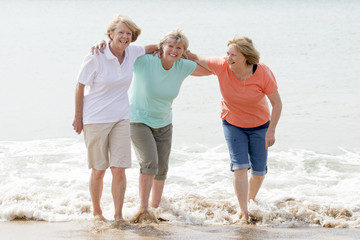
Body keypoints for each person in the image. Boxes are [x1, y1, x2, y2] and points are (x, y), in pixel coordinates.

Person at [93, 29, 211, 222]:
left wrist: (195, 56)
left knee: (162, 168)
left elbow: (212, 70)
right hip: (138, 120)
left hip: (164, 122)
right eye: (170, 46)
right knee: (149, 163)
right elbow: (122, 50)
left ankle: (155, 209)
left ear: (184, 51)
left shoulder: (182, 66)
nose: (174, 50)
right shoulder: (145, 62)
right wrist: (103, 43)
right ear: (161, 47)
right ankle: (143, 208)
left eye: (179, 48)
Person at [185, 36, 282, 223]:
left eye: (233, 55)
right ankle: (244, 212)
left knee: (259, 172)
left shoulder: (262, 73)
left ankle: (250, 199)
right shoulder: (221, 65)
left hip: (260, 126)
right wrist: (175, 57)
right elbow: (196, 57)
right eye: (227, 53)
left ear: (246, 56)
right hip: (233, 123)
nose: (228, 58)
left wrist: (271, 131)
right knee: (240, 167)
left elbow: (277, 104)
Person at [72, 14, 157, 222]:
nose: (125, 37)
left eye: (129, 33)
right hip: (95, 119)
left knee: (119, 168)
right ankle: (97, 212)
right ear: (110, 34)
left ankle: (118, 216)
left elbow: (153, 48)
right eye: (120, 32)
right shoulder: (96, 55)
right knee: (99, 170)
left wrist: (179, 50)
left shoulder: (132, 52)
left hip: (121, 117)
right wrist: (78, 116)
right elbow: (80, 85)